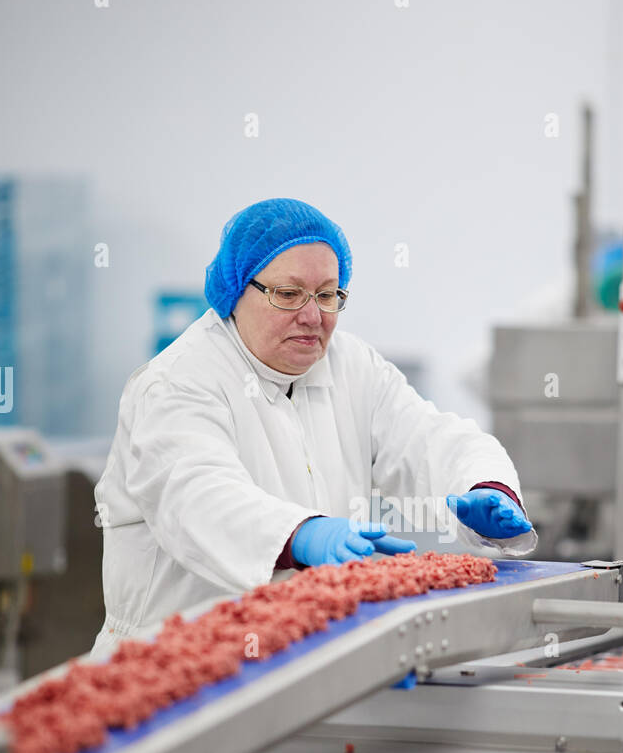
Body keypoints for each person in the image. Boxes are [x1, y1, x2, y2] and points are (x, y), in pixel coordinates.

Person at [93, 198, 535, 649]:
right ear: (234, 291)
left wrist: (486, 486)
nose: (313, 316)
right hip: (170, 663)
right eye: (288, 294)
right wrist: (299, 534)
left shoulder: (350, 364)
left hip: (298, 651)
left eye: (327, 295)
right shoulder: (177, 383)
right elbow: (196, 496)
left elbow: (426, 436)